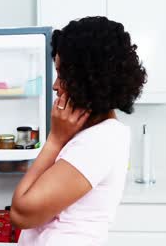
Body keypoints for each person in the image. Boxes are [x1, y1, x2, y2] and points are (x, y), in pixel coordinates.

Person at [10, 16, 147, 245]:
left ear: (87, 80)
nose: (55, 85)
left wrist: (55, 140)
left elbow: (21, 214)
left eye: (62, 75)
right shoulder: (93, 135)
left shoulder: (100, 140)